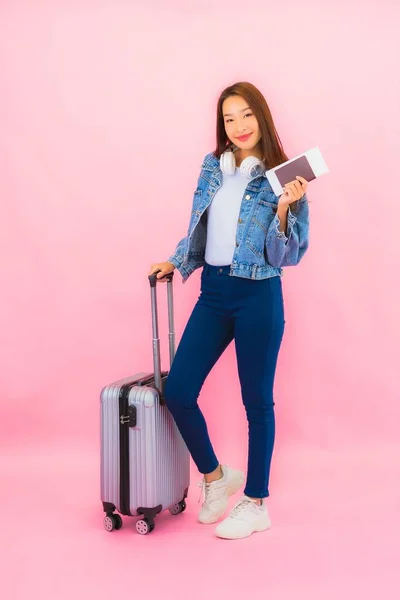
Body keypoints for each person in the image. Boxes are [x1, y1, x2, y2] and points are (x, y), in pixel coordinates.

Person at [149, 81, 310, 540]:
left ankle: (256, 502)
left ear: (262, 117)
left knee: (257, 402)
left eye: (246, 115)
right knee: (178, 390)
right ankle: (216, 478)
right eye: (229, 118)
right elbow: (199, 229)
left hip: (259, 294)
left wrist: (283, 210)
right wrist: (176, 261)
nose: (238, 126)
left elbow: (288, 257)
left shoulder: (282, 176)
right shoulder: (212, 168)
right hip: (214, 293)